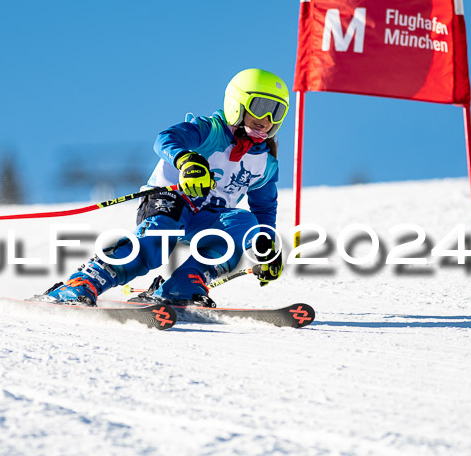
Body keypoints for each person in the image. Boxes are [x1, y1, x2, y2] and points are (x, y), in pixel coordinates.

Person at [43, 68, 289, 306]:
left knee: (245, 225)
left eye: (277, 112)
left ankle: (184, 286)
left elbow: (264, 207)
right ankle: (82, 283)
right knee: (155, 246)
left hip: (207, 219)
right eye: (262, 107)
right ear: (238, 103)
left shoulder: (265, 163)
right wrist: (187, 160)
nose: (267, 120)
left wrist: (266, 247)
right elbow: (165, 139)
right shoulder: (210, 131)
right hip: (169, 201)